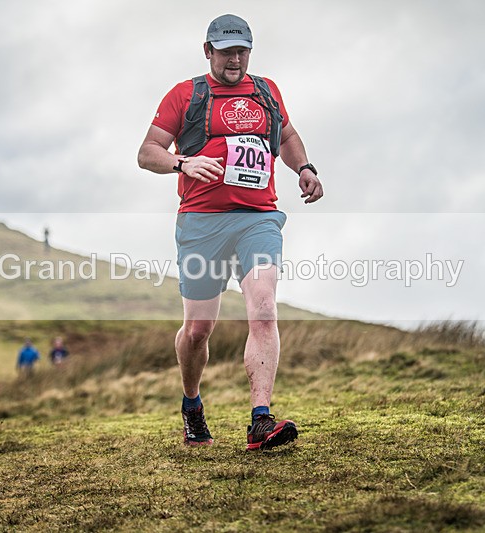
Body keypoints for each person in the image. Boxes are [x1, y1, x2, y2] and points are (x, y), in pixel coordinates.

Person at [137, 14, 323, 450]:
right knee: (199, 328)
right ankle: (191, 404)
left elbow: (287, 135)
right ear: (208, 51)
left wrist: (305, 167)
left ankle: (261, 420)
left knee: (263, 305)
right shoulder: (186, 95)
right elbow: (147, 153)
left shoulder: (267, 91)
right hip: (202, 222)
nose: (234, 59)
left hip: (258, 218)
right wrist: (183, 162)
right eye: (225, 51)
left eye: (242, 50)